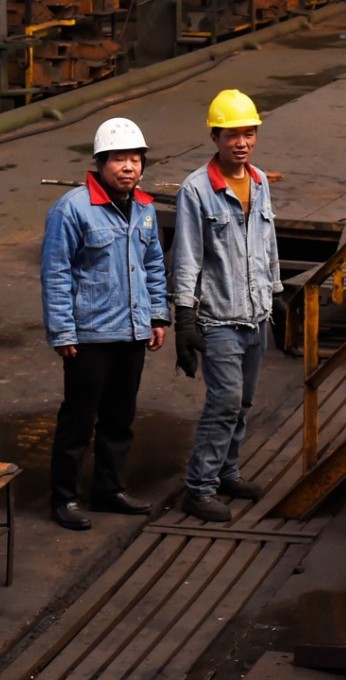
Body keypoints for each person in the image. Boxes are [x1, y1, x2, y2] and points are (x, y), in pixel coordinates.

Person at [41, 117, 169, 531]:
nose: (128, 167)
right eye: (118, 159)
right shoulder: (72, 209)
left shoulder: (146, 209)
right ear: (100, 163)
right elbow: (56, 272)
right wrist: (62, 331)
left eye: (135, 159)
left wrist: (156, 315)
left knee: (119, 418)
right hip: (90, 335)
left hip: (131, 332)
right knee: (78, 419)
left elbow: (153, 265)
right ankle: (65, 499)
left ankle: (109, 490)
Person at [172, 89, 282, 522]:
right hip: (218, 318)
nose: (242, 142)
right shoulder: (196, 190)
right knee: (224, 402)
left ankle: (227, 472)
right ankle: (198, 488)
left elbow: (268, 242)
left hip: (257, 314)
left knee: (245, 401)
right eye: (233, 134)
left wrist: (276, 291)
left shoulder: (259, 181)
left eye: (249, 133)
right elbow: (186, 257)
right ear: (215, 137)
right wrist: (183, 317)